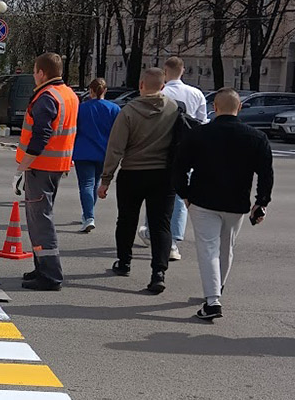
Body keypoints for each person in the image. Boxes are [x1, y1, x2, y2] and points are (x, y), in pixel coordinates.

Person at [172, 88, 274, 321]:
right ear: (239, 108)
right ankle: (216, 290)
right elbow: (266, 174)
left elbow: (178, 167)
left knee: (207, 249)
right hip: (236, 203)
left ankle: (213, 300)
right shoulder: (256, 137)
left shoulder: (198, 134)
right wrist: (261, 202)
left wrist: (184, 194)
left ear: (214, 108)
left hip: (202, 200)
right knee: (226, 248)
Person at [97, 67, 180, 294]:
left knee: (126, 219)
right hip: (163, 175)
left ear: (141, 85)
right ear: (163, 87)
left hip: (132, 173)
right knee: (161, 224)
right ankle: (158, 273)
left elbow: (116, 147)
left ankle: (124, 262)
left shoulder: (129, 111)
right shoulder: (173, 109)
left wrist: (106, 179)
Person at [16, 53, 80, 292]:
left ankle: (50, 275)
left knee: (40, 221)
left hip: (40, 166)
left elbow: (41, 135)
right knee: (39, 218)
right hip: (56, 165)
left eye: (34, 71)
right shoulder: (69, 94)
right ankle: (41, 267)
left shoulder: (46, 97)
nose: (34, 75)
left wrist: (23, 165)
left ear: (42, 73)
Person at [140, 56, 209, 259]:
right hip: (187, 148)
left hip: (160, 147)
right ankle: (172, 242)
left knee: (155, 192)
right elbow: (202, 122)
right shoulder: (196, 93)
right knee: (179, 194)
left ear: (165, 70)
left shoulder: (161, 92)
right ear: (183, 70)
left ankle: (153, 232)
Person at [73, 77, 120, 232]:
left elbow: (75, 129)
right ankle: (88, 213)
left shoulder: (81, 108)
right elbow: (117, 132)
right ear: (105, 91)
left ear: (90, 90)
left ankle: (88, 216)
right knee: (95, 184)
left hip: (83, 151)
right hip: (104, 152)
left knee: (86, 184)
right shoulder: (113, 109)